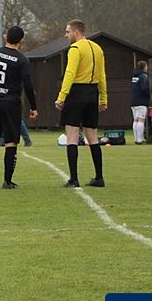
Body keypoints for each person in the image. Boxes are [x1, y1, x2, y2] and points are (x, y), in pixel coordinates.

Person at [0, 26, 38, 189]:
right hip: (10, 103)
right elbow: (28, 85)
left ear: (6, 38)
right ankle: (7, 181)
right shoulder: (22, 60)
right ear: (21, 41)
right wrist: (33, 107)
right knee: (11, 142)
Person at [55, 19, 108, 188]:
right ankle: (99, 177)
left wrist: (62, 96)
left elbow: (70, 73)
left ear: (76, 32)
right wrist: (103, 98)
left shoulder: (75, 49)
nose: (66, 35)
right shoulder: (97, 48)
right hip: (92, 93)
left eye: (67, 32)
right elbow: (102, 75)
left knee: (72, 135)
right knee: (92, 136)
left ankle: (73, 179)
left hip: (77, 93)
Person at [131, 60, 150, 145]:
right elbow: (144, 88)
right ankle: (139, 140)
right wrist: (148, 95)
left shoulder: (134, 76)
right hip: (141, 101)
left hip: (133, 101)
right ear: (144, 67)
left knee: (135, 120)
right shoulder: (143, 76)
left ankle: (136, 138)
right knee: (141, 120)